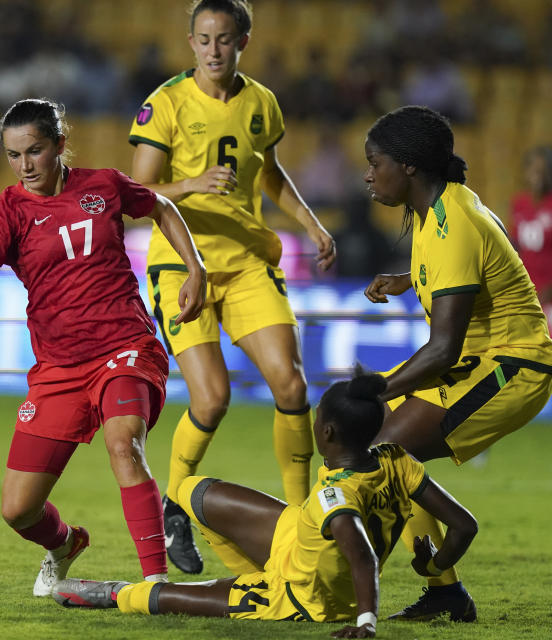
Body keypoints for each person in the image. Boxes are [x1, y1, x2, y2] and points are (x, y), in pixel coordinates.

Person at [0, 98, 207, 596]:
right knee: (17, 509)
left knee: (123, 443)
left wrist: (195, 268)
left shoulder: (103, 185)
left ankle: (157, 583)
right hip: (58, 368)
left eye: (35, 151)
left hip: (124, 347)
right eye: (13, 154)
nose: (25, 166)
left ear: (60, 145)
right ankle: (66, 544)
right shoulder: (9, 208)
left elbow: (163, 206)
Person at [127, 0, 336, 574]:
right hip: (181, 265)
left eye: (224, 39)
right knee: (212, 399)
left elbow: (269, 172)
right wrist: (192, 183)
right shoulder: (165, 103)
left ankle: (300, 518)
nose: (213, 50)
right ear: (189, 43)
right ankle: (174, 510)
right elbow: (137, 193)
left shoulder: (261, 102)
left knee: (292, 387)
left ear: (243, 39)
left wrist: (311, 223)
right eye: (203, 39)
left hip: (247, 263)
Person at [51, 371, 478, 639]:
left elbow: (361, 554)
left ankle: (119, 594)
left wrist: (366, 621)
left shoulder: (337, 495)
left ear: (326, 432)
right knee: (192, 491)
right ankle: (247, 569)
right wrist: (436, 565)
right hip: (298, 536)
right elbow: (464, 525)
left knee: (165, 598)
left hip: (301, 596)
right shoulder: (396, 458)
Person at [361, 105, 552, 621]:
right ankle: (444, 590)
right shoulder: (436, 208)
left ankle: (449, 540)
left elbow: (442, 349)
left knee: (380, 450)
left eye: (375, 162)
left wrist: (378, 388)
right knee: (382, 449)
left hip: (515, 365)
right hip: (480, 355)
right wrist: (406, 280)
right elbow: (451, 273)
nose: (368, 173)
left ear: (409, 167)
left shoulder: (452, 222)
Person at [509, 145, 552, 331]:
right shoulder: (519, 203)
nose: (537, 176)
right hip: (527, 291)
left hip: (548, 292)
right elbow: (515, 248)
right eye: (533, 170)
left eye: (542, 171)